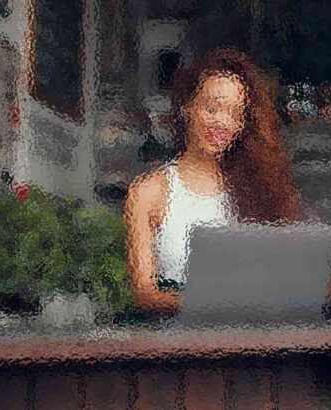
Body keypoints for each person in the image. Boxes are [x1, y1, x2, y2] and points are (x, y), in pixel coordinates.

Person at [124, 49, 302, 311]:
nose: (222, 122)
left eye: (235, 114)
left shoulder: (256, 188)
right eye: (212, 108)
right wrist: (213, 303)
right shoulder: (149, 192)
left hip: (253, 326)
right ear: (187, 107)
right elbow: (144, 294)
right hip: (179, 330)